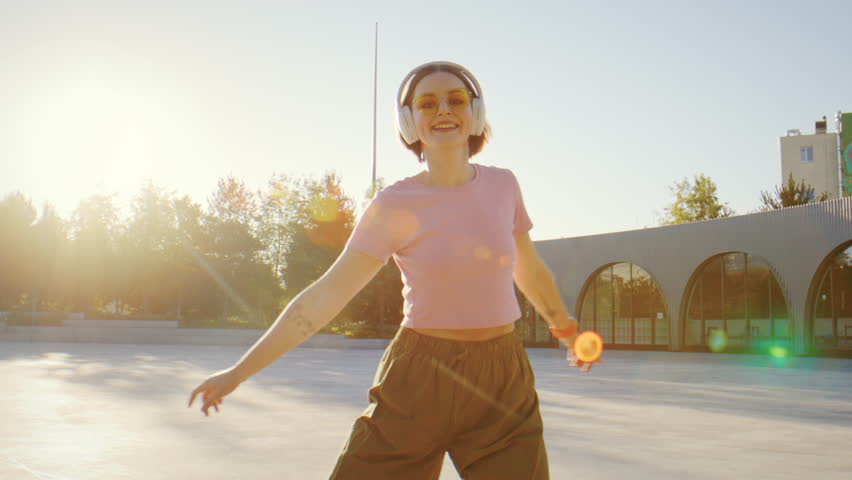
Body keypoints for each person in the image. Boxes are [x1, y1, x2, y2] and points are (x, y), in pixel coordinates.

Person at [189, 60, 597, 479]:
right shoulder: (393, 204)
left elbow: (527, 268)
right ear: (409, 122)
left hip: (502, 381)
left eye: (455, 100)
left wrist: (565, 327)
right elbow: (328, 292)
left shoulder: (504, 186)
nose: (443, 110)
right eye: (427, 103)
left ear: (475, 114)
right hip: (419, 377)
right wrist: (239, 372)